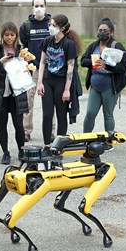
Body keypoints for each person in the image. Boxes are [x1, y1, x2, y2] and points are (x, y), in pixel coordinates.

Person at [37, 14, 82, 156]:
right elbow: (42, 62)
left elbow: (70, 67)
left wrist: (67, 89)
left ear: (62, 28)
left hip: (62, 82)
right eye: (50, 25)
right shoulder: (47, 41)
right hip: (48, 81)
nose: (51, 28)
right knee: (47, 114)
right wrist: (39, 82)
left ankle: (59, 145)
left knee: (61, 114)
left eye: (54, 26)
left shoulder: (68, 44)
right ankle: (46, 145)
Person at [0, 22, 28, 164]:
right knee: (2, 123)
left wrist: (28, 68)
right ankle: (5, 152)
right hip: (1, 93)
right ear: (2, 35)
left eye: (12, 35)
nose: (9, 38)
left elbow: (29, 69)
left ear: (16, 36)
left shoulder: (21, 50)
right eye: (7, 35)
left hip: (17, 93)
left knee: (18, 124)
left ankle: (21, 151)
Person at [80, 18, 126, 151]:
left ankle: (109, 141)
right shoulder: (94, 45)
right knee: (90, 113)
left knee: (108, 114)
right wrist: (93, 62)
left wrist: (106, 65)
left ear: (111, 32)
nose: (102, 33)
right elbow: (83, 61)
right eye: (100, 30)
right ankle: (86, 139)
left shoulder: (117, 46)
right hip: (95, 86)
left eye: (105, 31)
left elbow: (122, 68)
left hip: (110, 86)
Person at [19, 0, 56, 143]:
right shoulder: (26, 26)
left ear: (46, 7)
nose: (39, 8)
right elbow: (23, 45)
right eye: (36, 6)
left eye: (41, 5)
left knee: (49, 102)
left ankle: (51, 131)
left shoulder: (51, 25)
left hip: (49, 69)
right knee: (28, 102)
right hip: (32, 69)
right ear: (32, 7)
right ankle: (26, 131)